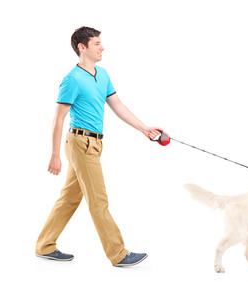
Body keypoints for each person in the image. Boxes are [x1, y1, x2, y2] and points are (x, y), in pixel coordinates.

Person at [35, 26, 161, 267]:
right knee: (98, 200)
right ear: (82, 48)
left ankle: (44, 245)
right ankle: (118, 254)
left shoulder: (102, 74)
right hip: (80, 143)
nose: (102, 47)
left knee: (69, 199)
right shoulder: (72, 79)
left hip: (95, 144)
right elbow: (58, 118)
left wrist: (145, 129)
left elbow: (118, 106)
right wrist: (54, 155)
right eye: (96, 43)